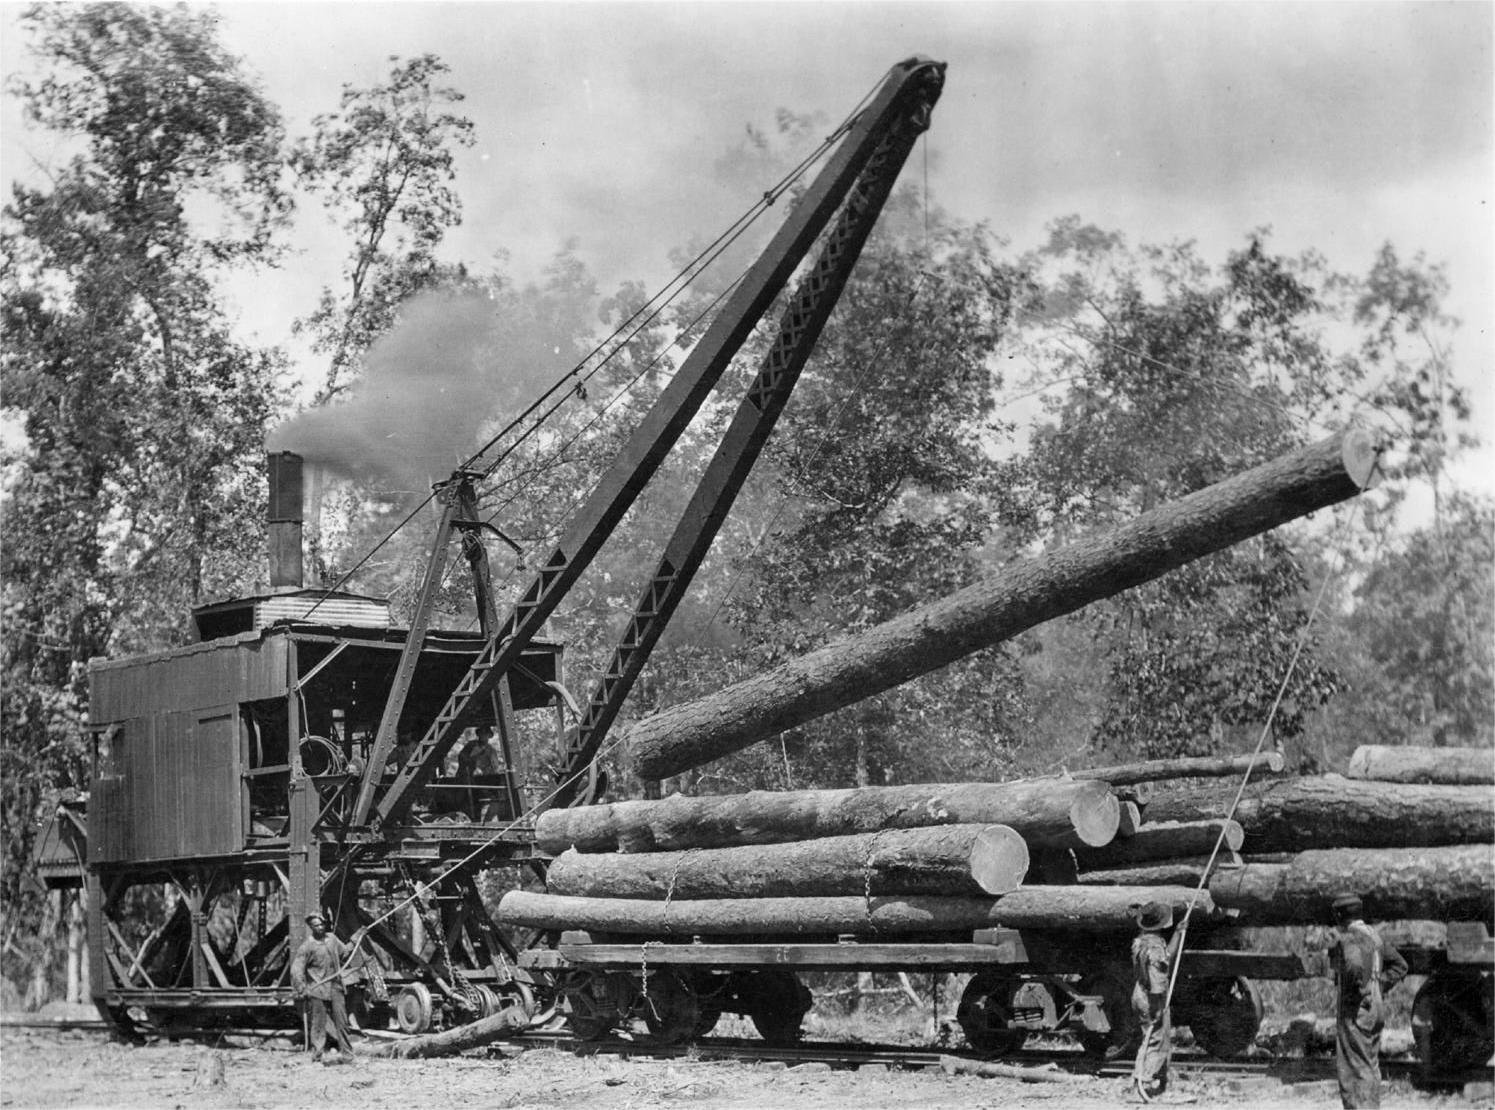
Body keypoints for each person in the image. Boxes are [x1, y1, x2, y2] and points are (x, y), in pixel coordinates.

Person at [1331, 892, 1408, 1109]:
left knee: (1352, 1068)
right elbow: (1400, 965)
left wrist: (1360, 991)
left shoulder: (1351, 937)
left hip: (1356, 1009)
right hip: (1376, 1007)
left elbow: (1354, 966)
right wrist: (1379, 986)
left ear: (1339, 915)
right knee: (1370, 1064)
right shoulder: (1374, 936)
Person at [291, 913, 357, 1062]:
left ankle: (347, 1055)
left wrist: (356, 938)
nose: (320, 927)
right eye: (316, 925)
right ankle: (317, 1055)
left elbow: (344, 953)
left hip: (336, 987)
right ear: (311, 927)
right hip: (317, 989)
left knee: (342, 1022)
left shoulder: (332, 939)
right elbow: (296, 969)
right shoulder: (307, 946)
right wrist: (301, 988)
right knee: (318, 1025)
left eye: (321, 924)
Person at [1130, 900, 1176, 1102]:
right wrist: (1158, 1004)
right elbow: (1157, 976)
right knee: (1155, 1040)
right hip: (1151, 997)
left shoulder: (1142, 941)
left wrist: (1178, 934)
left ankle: (1159, 1080)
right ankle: (1142, 1083)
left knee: (1154, 1038)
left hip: (1139, 993)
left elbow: (1167, 956)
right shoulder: (1155, 947)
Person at [456, 726, 501, 821]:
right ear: (478, 734)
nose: (483, 736)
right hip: (467, 778)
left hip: (483, 781)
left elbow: (495, 767)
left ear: (489, 736)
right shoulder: (471, 745)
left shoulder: (491, 750)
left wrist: (485, 772)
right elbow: (461, 756)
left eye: (486, 734)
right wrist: (472, 762)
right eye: (481, 733)